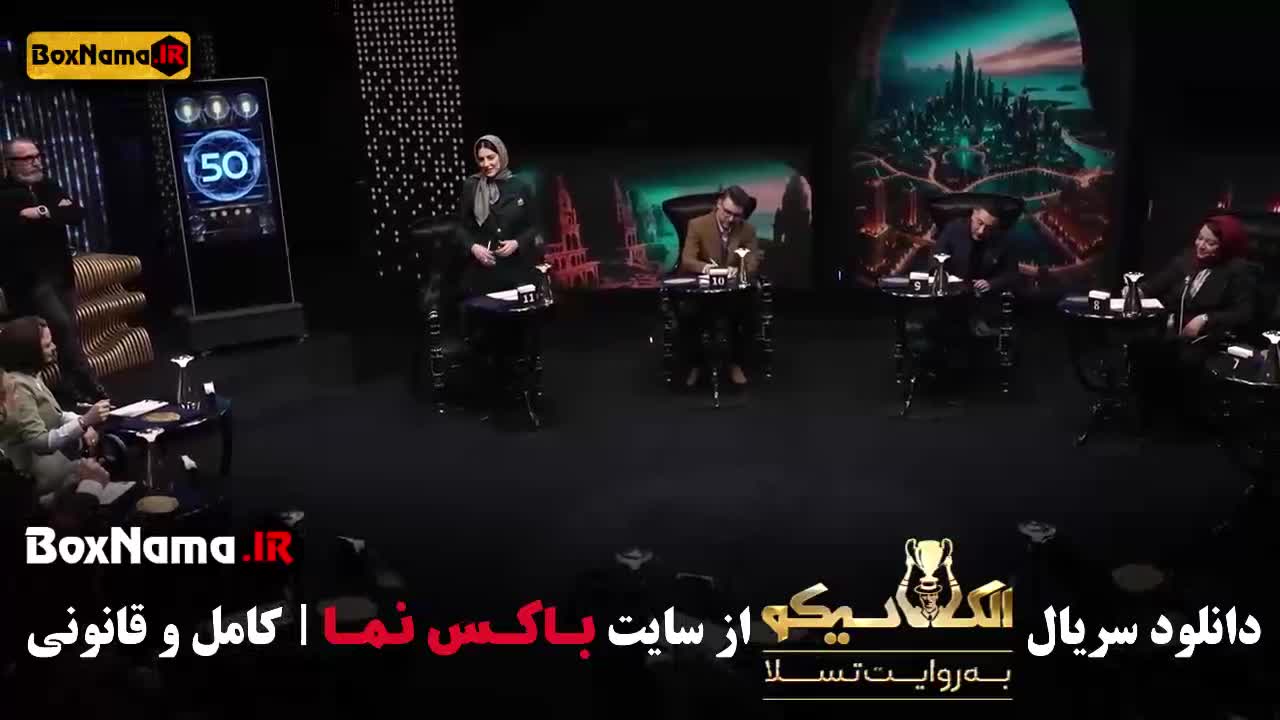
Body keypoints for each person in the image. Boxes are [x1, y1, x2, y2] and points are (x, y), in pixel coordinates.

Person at [0, 137, 108, 404]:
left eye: (37, 156)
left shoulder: (48, 186)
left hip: (61, 272)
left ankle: (72, 388)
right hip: (30, 279)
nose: (36, 162)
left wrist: (41, 212)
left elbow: (76, 214)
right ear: (10, 164)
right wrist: (53, 212)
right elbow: (11, 231)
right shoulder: (4, 195)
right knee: (61, 325)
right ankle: (88, 383)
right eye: (27, 158)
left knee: (68, 329)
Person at [1130, 215, 1255, 422]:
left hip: (1207, 337)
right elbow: (1156, 284)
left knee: (1183, 358)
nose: (1201, 246)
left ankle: (1180, 420)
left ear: (1225, 246)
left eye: (1210, 243)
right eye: (1200, 238)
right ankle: (1147, 413)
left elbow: (1244, 312)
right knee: (1141, 346)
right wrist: (1137, 290)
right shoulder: (1187, 259)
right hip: (1171, 329)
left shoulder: (1238, 271)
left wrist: (1206, 318)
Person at [0, 317, 111, 507]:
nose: (54, 347)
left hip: (55, 466)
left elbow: (55, 414)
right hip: (36, 480)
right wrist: (83, 422)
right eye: (47, 345)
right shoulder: (18, 386)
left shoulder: (33, 376)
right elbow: (40, 443)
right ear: (29, 352)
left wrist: (82, 422)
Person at [678, 185, 762, 387]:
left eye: (737, 215)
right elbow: (687, 260)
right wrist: (708, 269)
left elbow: (752, 263)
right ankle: (696, 364)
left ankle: (735, 363)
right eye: (727, 212)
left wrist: (739, 270)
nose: (731, 219)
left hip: (733, 291)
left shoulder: (747, 230)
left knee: (749, 311)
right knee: (687, 313)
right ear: (718, 204)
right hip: (703, 292)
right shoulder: (697, 225)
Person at [455, 134, 542, 298]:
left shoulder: (520, 185)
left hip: (519, 270)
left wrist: (517, 243)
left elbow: (535, 225)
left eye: (491, 157)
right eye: (481, 159)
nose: (486, 164)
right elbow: (460, 228)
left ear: (501, 155)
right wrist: (474, 247)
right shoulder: (471, 186)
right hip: (486, 272)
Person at [932, 204, 1017, 336]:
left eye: (989, 228)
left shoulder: (1002, 239)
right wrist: (946, 278)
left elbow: (1012, 273)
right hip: (951, 296)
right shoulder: (953, 229)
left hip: (983, 300)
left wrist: (991, 283)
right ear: (973, 214)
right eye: (979, 223)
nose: (981, 231)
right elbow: (936, 258)